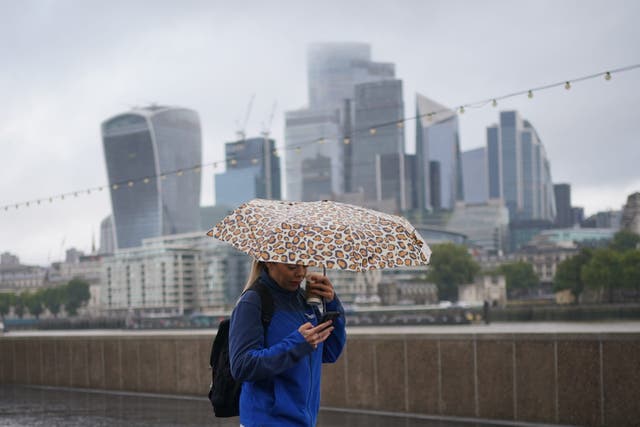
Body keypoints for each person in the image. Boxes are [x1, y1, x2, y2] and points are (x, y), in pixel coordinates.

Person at [229, 260, 347, 427]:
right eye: (292, 267)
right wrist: (297, 344)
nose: (300, 273)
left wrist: (332, 303)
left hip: (305, 421)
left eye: (305, 266)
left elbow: (329, 353)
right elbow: (242, 365)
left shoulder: (304, 301)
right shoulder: (252, 301)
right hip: (265, 421)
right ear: (269, 263)